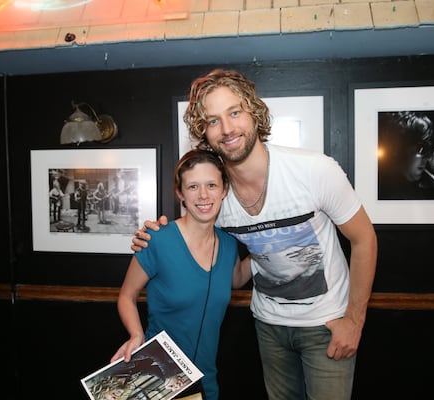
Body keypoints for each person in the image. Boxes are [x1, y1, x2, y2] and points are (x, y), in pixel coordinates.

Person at [132, 69, 378, 399]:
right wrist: (155, 236)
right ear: (203, 132)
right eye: (213, 120)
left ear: (254, 114)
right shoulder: (215, 198)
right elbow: (215, 260)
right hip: (267, 325)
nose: (228, 128)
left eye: (234, 112)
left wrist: (354, 321)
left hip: (327, 324)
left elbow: (364, 239)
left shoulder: (314, 170)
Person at [111, 149, 252, 400]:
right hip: (158, 380)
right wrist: (136, 334)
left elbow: (236, 280)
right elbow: (126, 296)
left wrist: (270, 248)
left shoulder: (229, 244)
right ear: (180, 194)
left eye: (211, 185)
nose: (204, 195)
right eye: (193, 186)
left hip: (206, 381)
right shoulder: (156, 239)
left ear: (224, 190)